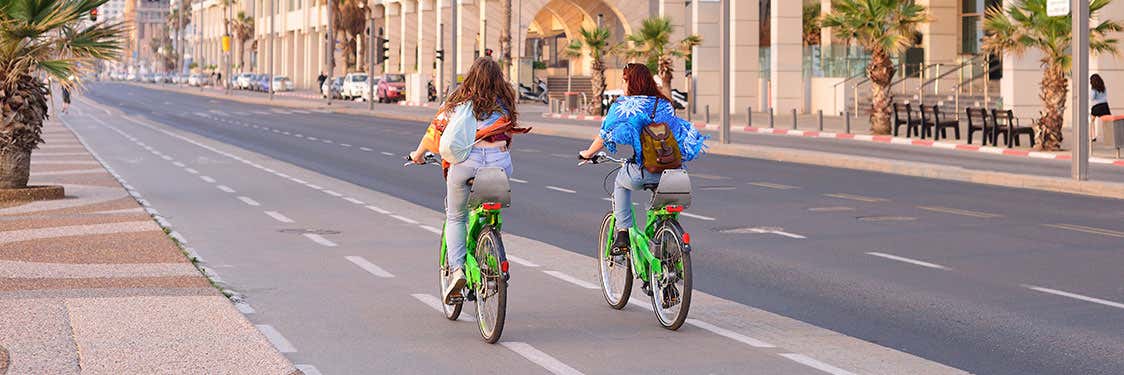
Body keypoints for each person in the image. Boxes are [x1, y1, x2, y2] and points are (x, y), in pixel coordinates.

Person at [409, 57, 529, 303]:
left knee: (456, 217)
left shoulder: (457, 102)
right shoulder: (505, 102)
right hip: (500, 164)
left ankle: (457, 271)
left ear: (471, 77)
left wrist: (418, 155)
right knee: (491, 212)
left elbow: (435, 133)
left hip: (466, 165)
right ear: (498, 79)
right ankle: (491, 246)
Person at [578, 63, 707, 254]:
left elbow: (605, 135)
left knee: (620, 184)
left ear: (630, 81)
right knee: (663, 209)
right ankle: (669, 252)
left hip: (644, 171)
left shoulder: (624, 106)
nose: (623, 83)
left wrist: (588, 154)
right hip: (673, 173)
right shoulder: (664, 104)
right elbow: (678, 134)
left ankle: (622, 233)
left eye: (624, 79)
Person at [1091, 74, 1111, 141]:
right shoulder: (1103, 87)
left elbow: (1092, 98)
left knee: (1091, 121)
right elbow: (1105, 96)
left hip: (1097, 107)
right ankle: (1109, 136)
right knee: (1107, 122)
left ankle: (1093, 137)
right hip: (1105, 106)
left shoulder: (1093, 89)